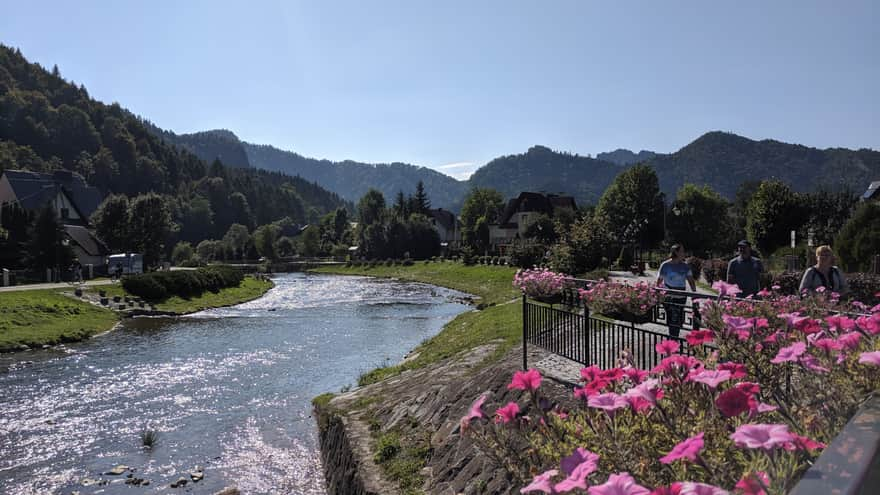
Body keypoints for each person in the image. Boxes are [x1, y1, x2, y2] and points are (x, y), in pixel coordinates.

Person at [657, 244, 696, 337]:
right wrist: (658, 294)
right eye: (682, 251)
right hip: (668, 296)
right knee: (672, 318)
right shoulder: (665, 265)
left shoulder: (685, 266)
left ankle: (674, 337)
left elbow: (691, 281)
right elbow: (659, 281)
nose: (684, 253)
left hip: (681, 296)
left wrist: (694, 295)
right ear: (676, 252)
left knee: (678, 319)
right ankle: (673, 338)